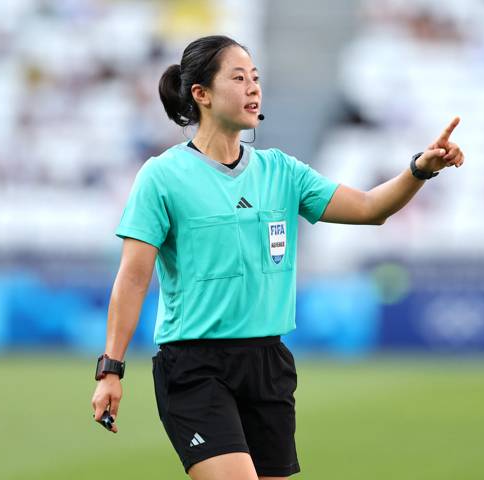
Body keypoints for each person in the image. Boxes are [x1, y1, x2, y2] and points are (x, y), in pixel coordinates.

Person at [91, 35, 464, 480]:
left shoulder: (282, 171)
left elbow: (370, 208)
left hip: (268, 365)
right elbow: (133, 279)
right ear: (201, 94)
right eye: (238, 78)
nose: (253, 88)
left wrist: (420, 169)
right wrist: (110, 369)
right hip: (195, 368)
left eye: (256, 78)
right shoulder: (162, 176)